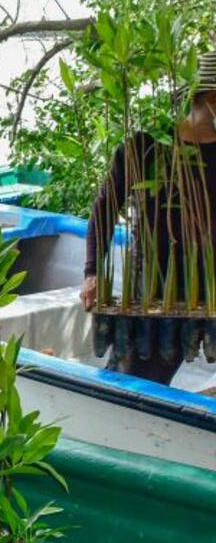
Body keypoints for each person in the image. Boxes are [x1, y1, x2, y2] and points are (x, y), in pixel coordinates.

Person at [83, 50, 216, 384]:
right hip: (157, 287)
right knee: (140, 375)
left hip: (211, 282)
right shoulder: (146, 145)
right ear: (211, 97)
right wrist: (92, 272)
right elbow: (104, 209)